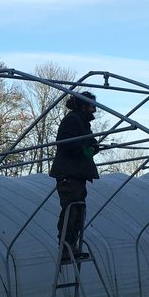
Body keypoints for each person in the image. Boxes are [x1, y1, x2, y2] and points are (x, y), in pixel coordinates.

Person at [49, 91, 100, 262]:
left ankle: (72, 246)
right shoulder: (73, 120)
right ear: (83, 105)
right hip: (68, 173)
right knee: (71, 210)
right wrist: (85, 150)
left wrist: (93, 147)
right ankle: (66, 248)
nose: (94, 109)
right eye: (92, 105)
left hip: (78, 174)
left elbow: (91, 142)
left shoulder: (83, 122)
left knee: (78, 210)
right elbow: (67, 144)